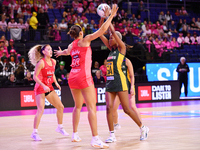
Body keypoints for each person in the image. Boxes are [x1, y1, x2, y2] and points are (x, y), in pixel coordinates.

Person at [54, 4, 118, 148]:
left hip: (72, 78)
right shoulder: (86, 40)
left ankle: (75, 134)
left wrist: (61, 53)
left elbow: (66, 51)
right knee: (91, 108)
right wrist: (111, 15)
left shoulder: (72, 45)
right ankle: (95, 138)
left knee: (77, 106)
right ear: (81, 33)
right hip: (83, 77)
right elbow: (102, 30)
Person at [99, 17, 149, 143]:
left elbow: (113, 34)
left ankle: (143, 128)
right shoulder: (110, 51)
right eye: (109, 37)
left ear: (117, 39)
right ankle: (111, 134)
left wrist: (110, 23)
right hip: (110, 83)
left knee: (127, 109)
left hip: (120, 83)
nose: (110, 39)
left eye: (111, 37)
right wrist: (102, 18)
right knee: (109, 108)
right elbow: (100, 32)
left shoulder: (121, 50)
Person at [28, 44, 69, 141]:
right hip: (40, 87)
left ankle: (60, 127)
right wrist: (43, 85)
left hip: (49, 87)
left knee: (61, 107)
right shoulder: (41, 63)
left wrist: (55, 83)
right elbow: (35, 77)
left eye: (51, 49)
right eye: (49, 49)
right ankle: (34, 133)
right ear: (43, 52)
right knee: (41, 110)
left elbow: (52, 73)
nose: (51, 51)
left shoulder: (53, 61)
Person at [112, 58, 142, 131]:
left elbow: (132, 75)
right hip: (119, 88)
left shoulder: (127, 61)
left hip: (128, 86)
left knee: (132, 106)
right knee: (113, 108)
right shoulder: (114, 61)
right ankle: (116, 124)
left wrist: (132, 87)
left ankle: (142, 127)